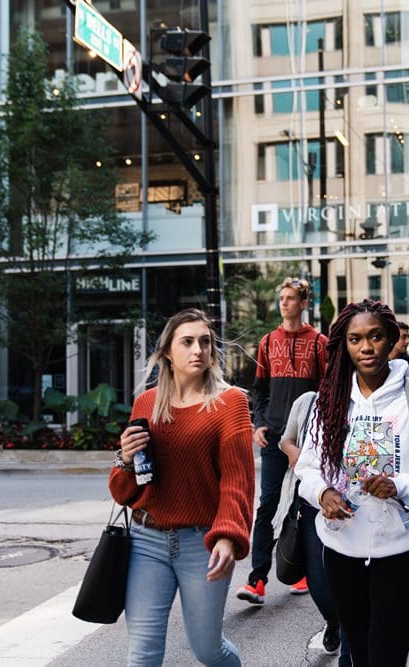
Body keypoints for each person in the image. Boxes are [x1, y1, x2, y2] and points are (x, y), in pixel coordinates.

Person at [295, 299, 409, 666]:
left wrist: (400, 486)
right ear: (343, 345)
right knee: (358, 656)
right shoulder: (328, 403)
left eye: (375, 336)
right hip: (341, 551)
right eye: (355, 339)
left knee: (387, 659)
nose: (366, 347)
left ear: (391, 339)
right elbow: (307, 468)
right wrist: (323, 492)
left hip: (399, 555)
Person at [110, 308, 255, 666]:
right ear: (167, 353)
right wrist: (124, 460)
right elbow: (124, 492)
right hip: (147, 541)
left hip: (202, 543)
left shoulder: (230, 402)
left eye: (205, 342)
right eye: (187, 342)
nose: (198, 350)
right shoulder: (146, 404)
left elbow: (237, 480)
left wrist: (227, 534)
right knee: (142, 654)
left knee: (207, 649)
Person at [237, 277, 328, 604]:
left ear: (303, 303)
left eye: (291, 298)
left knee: (302, 505)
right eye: (282, 298)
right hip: (275, 435)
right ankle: (256, 580)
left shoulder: (319, 343)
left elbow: (327, 392)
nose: (284, 303)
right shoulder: (267, 342)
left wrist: (321, 434)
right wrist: (258, 424)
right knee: (267, 504)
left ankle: (298, 569)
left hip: (308, 439)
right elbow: (259, 390)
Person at [278, 391, 347, 663]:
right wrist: (293, 450)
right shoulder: (308, 401)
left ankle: (349, 627)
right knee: (318, 584)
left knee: (351, 584)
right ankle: (334, 621)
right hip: (311, 504)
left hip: (351, 508)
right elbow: (286, 438)